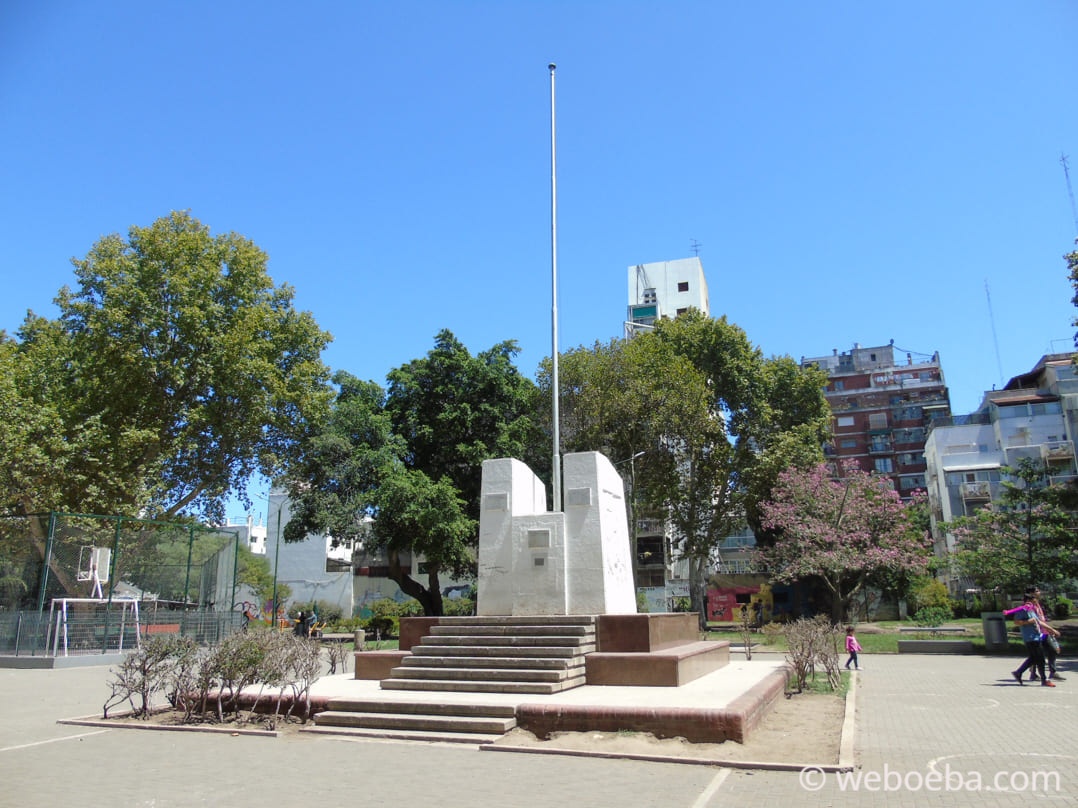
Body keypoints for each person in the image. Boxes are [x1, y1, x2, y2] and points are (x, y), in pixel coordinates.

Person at [1011, 591, 1055, 687]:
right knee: (1040, 659)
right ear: (1028, 601)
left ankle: (1018, 673)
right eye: (1034, 601)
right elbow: (1016, 622)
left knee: (1035, 658)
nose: (1035, 603)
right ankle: (1044, 680)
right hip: (1030, 638)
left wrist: (1051, 629)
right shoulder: (1022, 610)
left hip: (1036, 636)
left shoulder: (1031, 610)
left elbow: (1038, 621)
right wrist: (1027, 622)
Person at [1028, 588, 1064, 682]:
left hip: (1044, 632)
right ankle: (1033, 673)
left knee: (1053, 650)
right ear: (1031, 593)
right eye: (1037, 591)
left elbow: (1042, 618)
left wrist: (1048, 629)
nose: (1039, 592)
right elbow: (1037, 621)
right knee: (1037, 654)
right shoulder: (1030, 605)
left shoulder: (1038, 603)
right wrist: (1051, 629)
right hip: (1037, 633)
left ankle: (1052, 672)